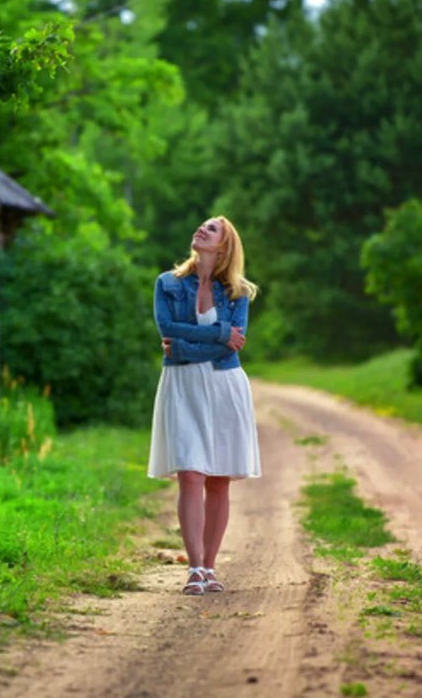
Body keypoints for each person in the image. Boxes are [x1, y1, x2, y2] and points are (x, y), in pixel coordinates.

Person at [147, 216, 260, 596]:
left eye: (211, 229)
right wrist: (216, 334)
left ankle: (210, 568)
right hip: (182, 384)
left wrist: (182, 347)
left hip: (224, 384)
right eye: (201, 226)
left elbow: (234, 343)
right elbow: (167, 329)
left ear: (224, 247)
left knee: (218, 479)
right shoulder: (167, 283)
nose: (201, 229)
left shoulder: (238, 292)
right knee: (190, 474)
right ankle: (194, 567)